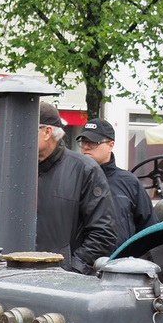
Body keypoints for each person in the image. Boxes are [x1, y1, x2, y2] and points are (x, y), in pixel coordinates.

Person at [36, 101, 116, 271]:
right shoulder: (17, 169)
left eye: (28, 129)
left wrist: (73, 269)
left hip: (62, 280)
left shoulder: (85, 169)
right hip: (15, 276)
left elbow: (103, 233)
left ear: (47, 132)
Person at [78, 118, 154, 244]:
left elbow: (149, 228)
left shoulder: (129, 182)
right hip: (81, 256)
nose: (86, 147)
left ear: (110, 145)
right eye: (83, 142)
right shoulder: (74, 179)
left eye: (93, 142)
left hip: (122, 255)